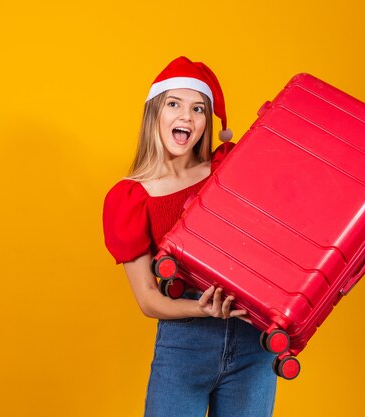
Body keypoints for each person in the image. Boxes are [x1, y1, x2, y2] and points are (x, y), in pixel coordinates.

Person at [102, 57, 277, 417]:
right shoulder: (131, 198)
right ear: (155, 113)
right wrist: (200, 308)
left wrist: (352, 126)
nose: (187, 116)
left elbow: (293, 168)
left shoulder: (227, 168)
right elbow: (149, 299)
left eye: (198, 108)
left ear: (205, 123)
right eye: (174, 104)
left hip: (253, 342)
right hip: (185, 345)